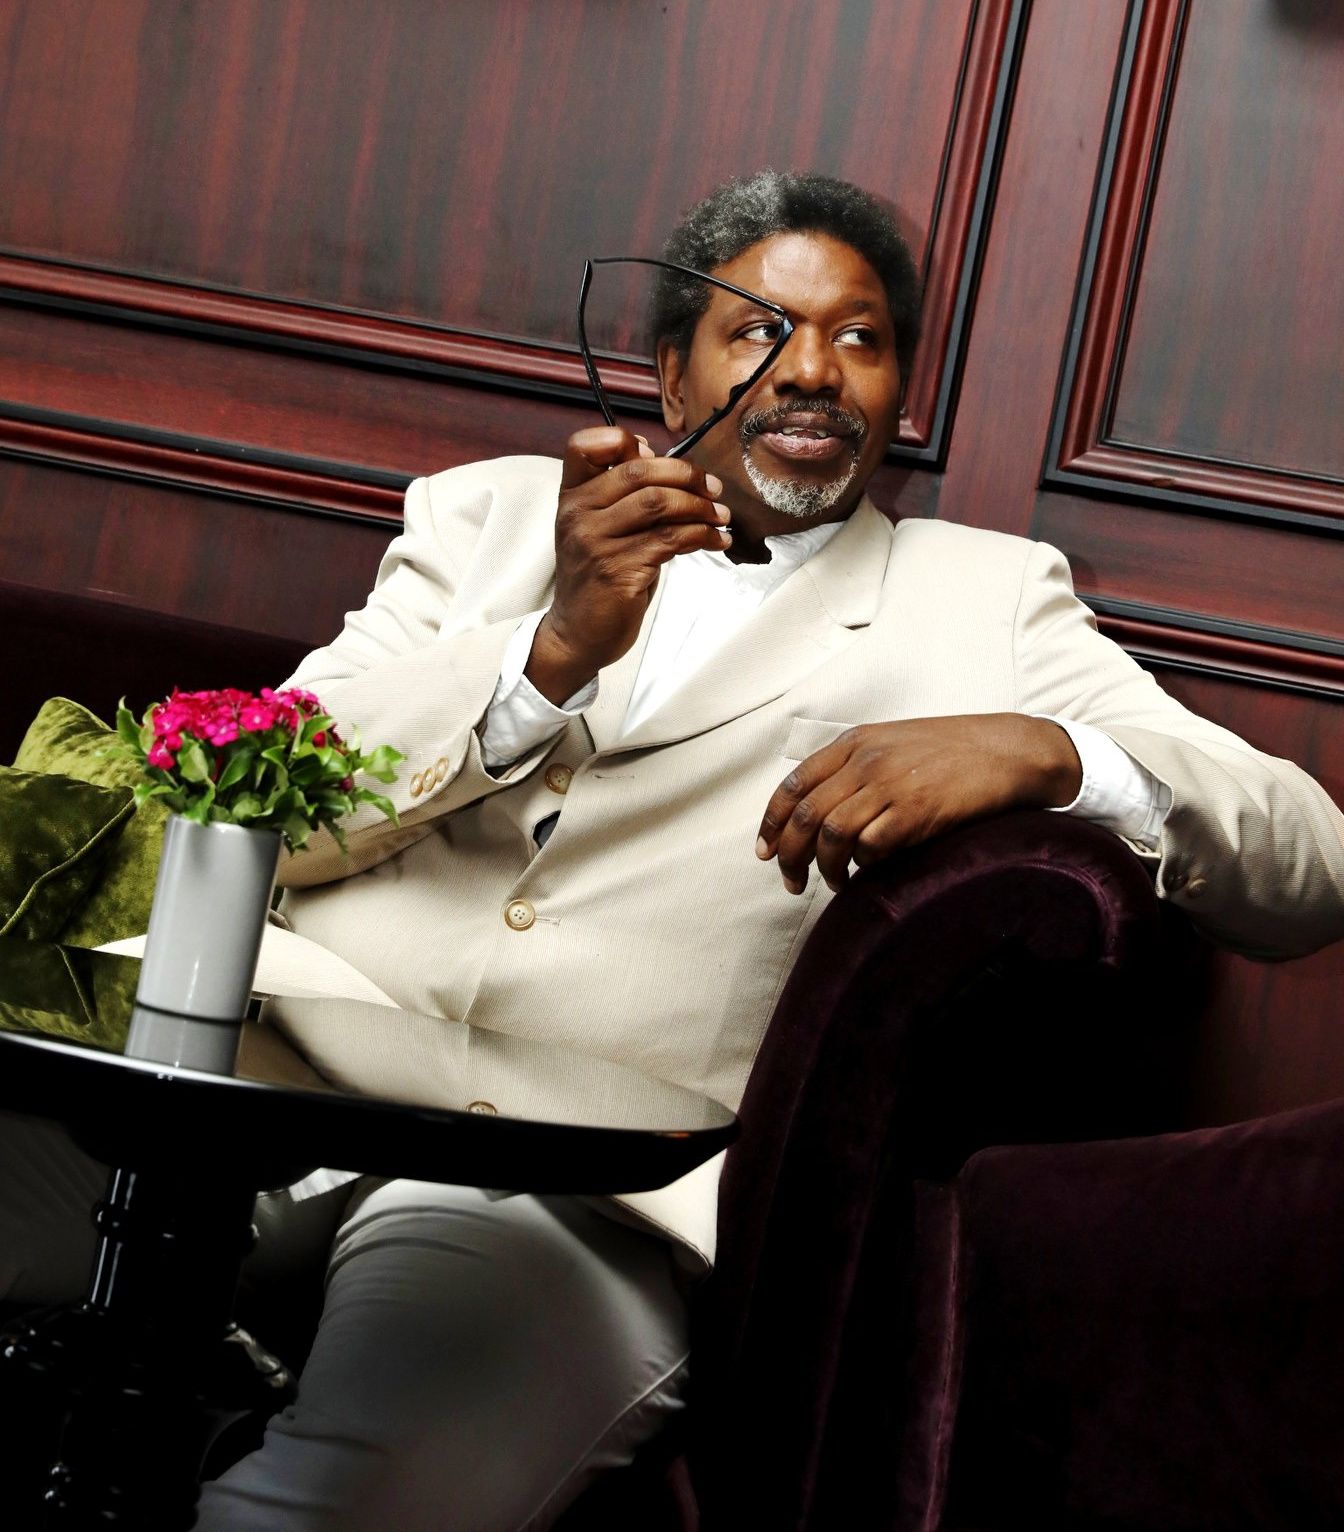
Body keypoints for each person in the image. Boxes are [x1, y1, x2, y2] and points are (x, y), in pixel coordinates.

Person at [6, 171, 1344, 1530]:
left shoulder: (983, 600)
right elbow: (250, 799)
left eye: (861, 338)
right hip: (255, 1088)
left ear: (899, 394)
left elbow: (1310, 864)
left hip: (566, 1196)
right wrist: (544, 658)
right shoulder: (487, 521)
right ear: (667, 375)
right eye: (759, 329)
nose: (812, 369)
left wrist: (1054, 752)